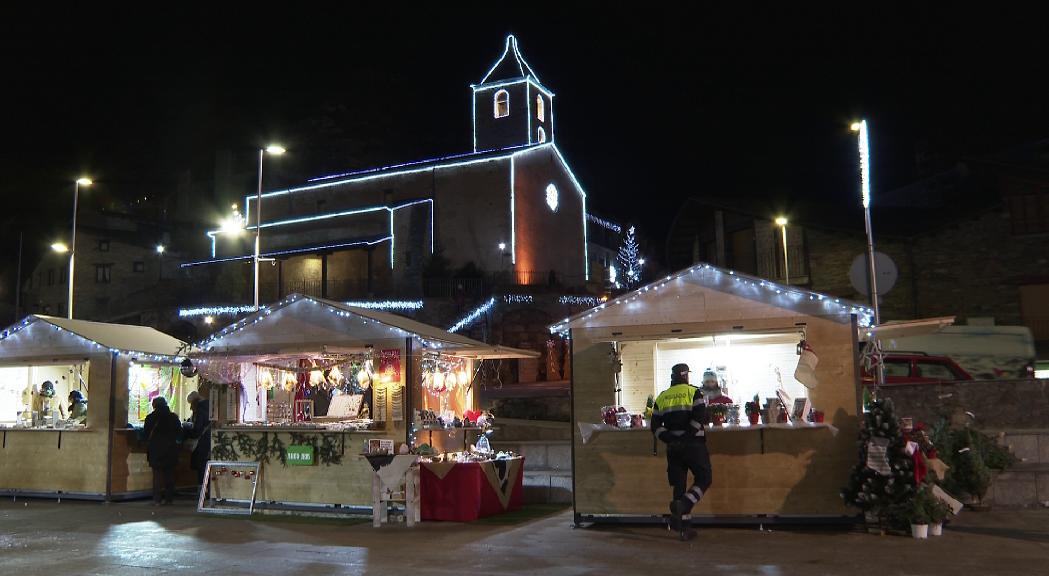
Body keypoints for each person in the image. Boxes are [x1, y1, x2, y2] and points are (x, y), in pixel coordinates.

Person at [651, 363, 712, 540]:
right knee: (704, 478)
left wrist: (671, 439)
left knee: (679, 485)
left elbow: (655, 426)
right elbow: (699, 418)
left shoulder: (662, 397)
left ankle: (685, 530)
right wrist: (686, 439)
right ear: (685, 376)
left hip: (673, 449)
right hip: (694, 446)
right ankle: (685, 503)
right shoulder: (693, 392)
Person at [143, 397, 180, 505]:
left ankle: (157, 499)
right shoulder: (173, 417)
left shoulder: (150, 418)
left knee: (157, 475)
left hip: (156, 449)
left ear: (154, 405)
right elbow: (179, 432)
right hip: (170, 448)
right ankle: (169, 499)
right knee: (169, 474)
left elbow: (146, 434)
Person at [186, 391, 211, 485]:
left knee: (201, 467)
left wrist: (189, 432)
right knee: (205, 466)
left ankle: (202, 489)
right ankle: (206, 489)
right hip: (208, 440)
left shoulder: (200, 410)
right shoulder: (209, 406)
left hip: (201, 443)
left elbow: (197, 429)